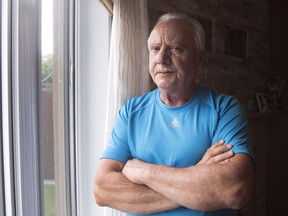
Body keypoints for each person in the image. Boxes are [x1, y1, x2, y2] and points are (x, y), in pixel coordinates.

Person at [94, 13, 255, 216]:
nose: (161, 58)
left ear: (199, 59)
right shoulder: (131, 112)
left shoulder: (225, 109)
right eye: (154, 49)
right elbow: (102, 190)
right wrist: (197, 178)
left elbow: (235, 189)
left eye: (176, 49)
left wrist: (144, 172)